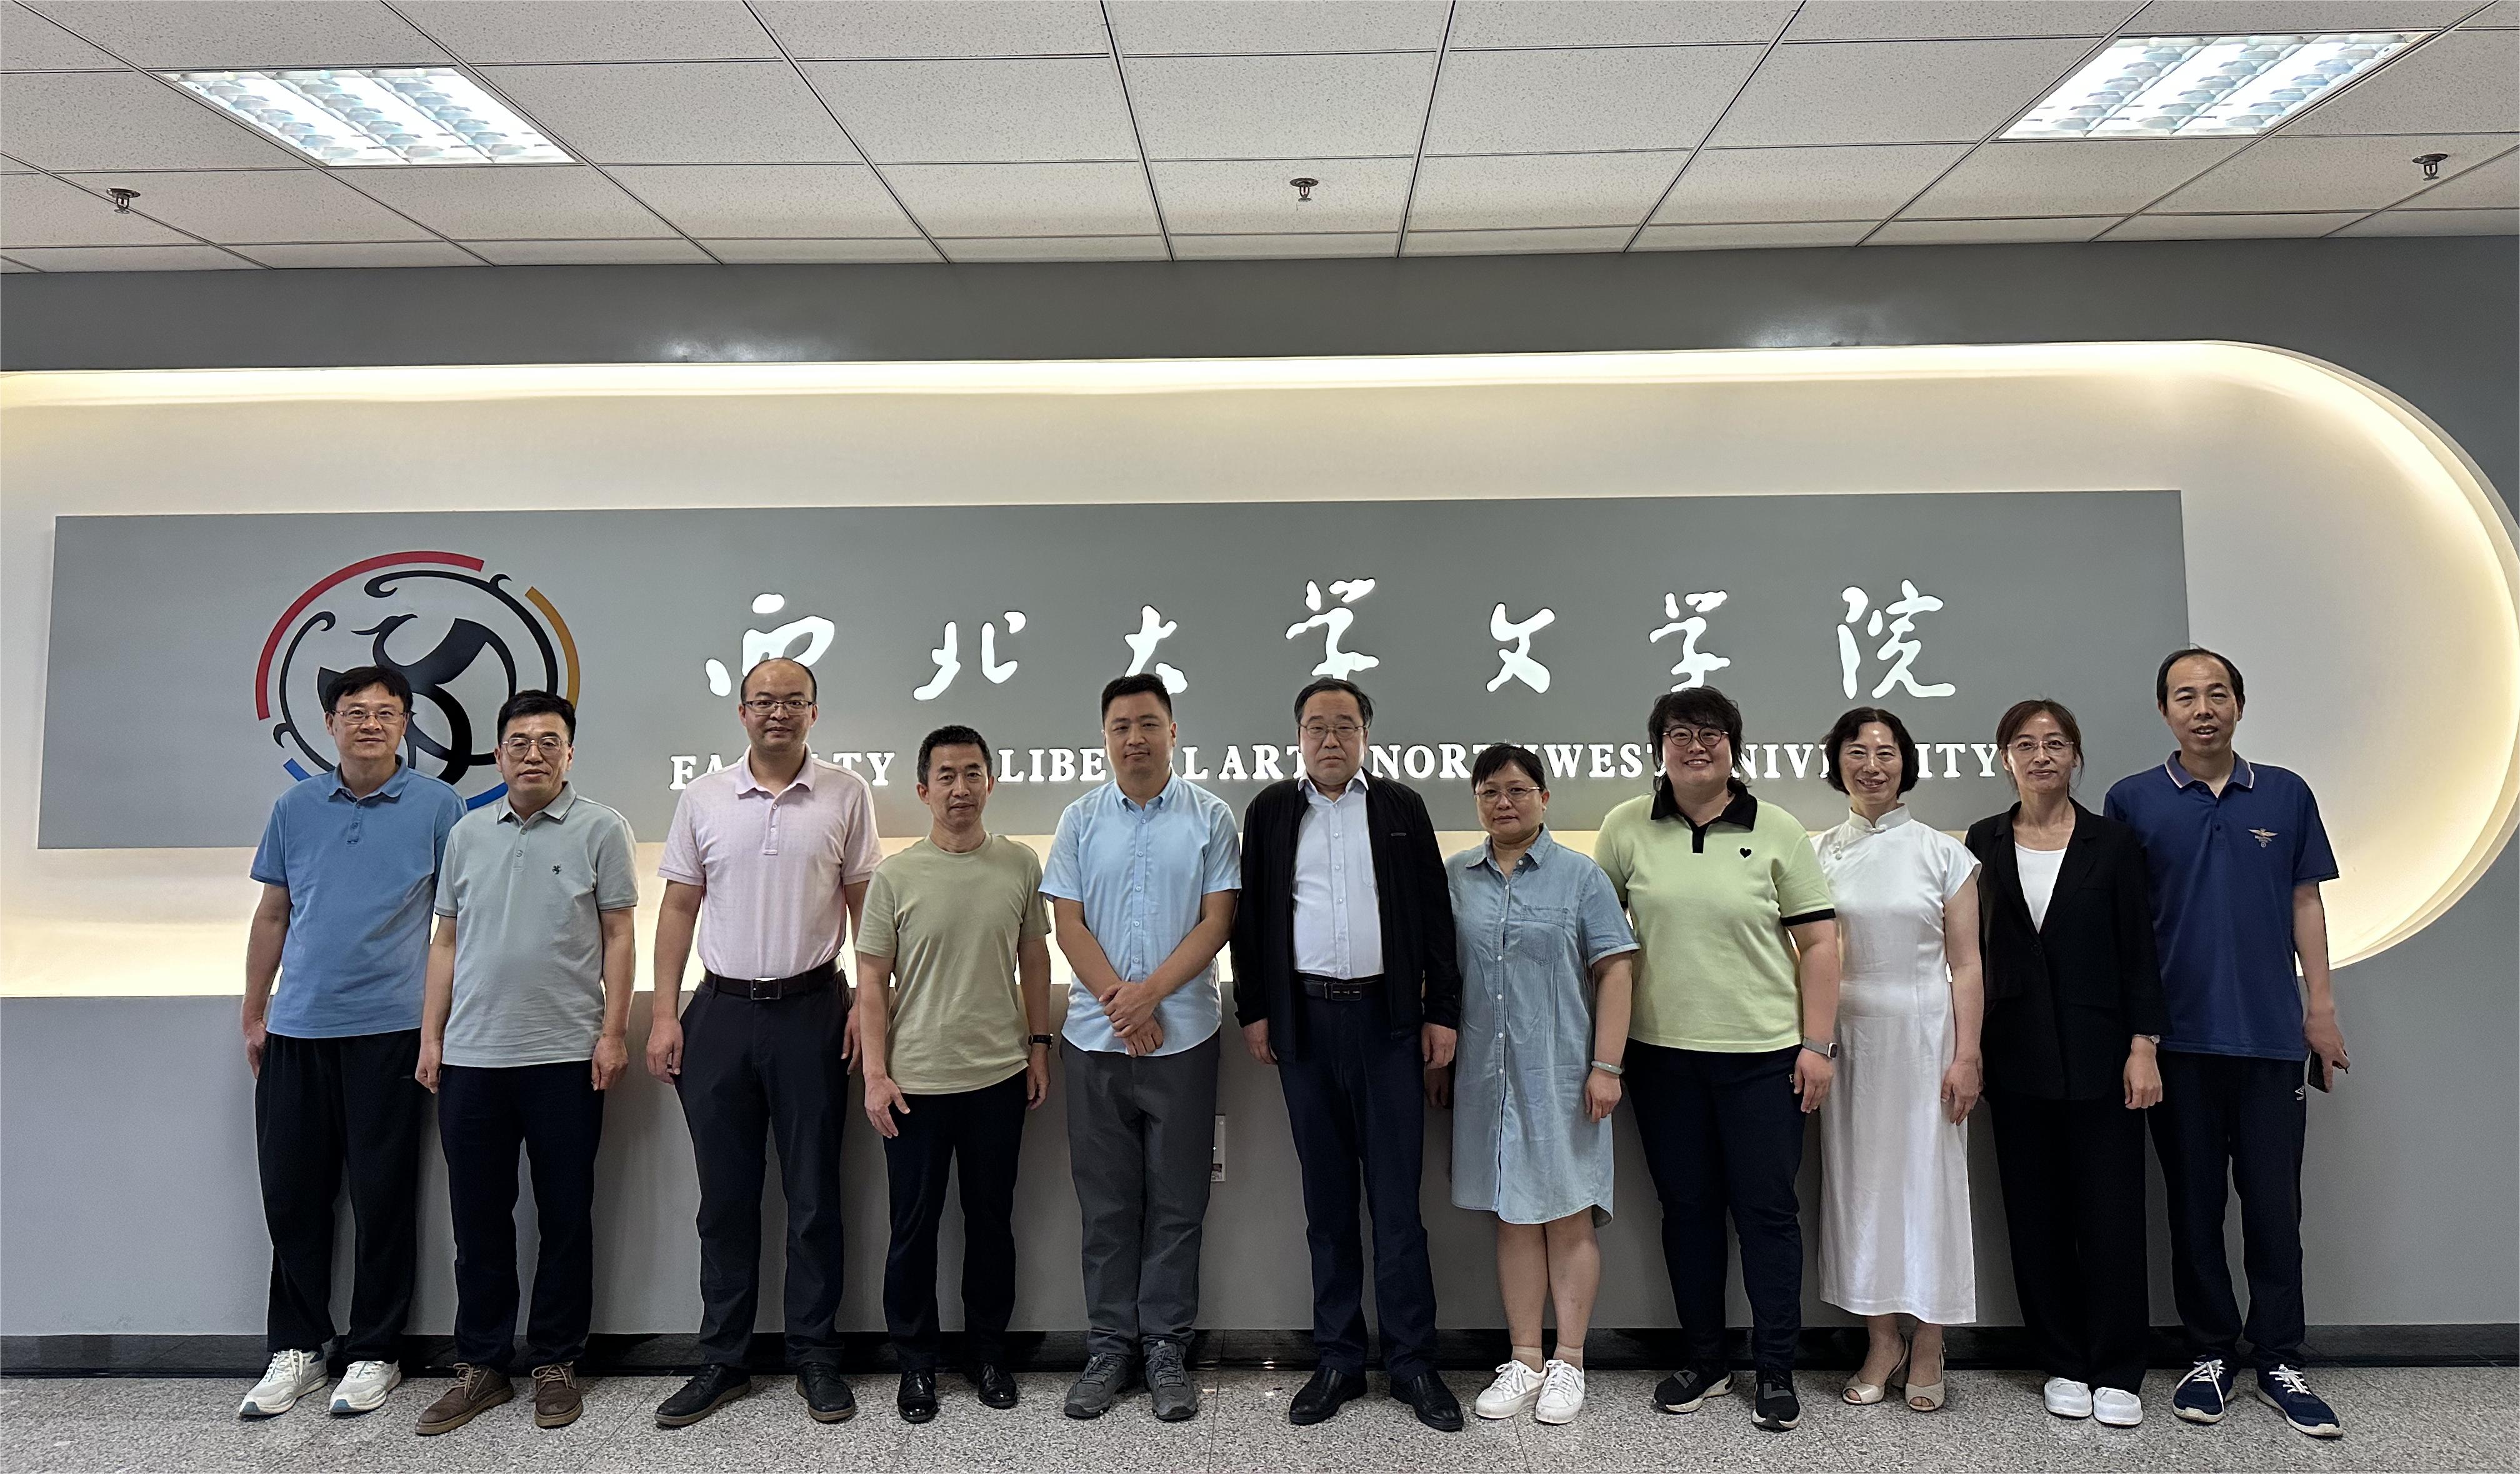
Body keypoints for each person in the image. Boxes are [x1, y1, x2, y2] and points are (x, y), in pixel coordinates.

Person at [2106, 648, 2348, 1440]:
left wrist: (2320, 1009)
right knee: (2195, 1208)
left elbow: (2305, 901)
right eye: (2186, 697)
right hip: (2177, 1042)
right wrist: (2139, 1038)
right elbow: (2125, 927)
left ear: (2239, 704)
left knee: (2276, 1209)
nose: (2202, 709)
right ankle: (2210, 1352)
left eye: (2216, 694)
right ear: (2164, 711)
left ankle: (2279, 1357)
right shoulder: (2133, 800)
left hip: (2272, 1041)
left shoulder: (2285, 792)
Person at [1594, 685, 1839, 1435]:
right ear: (1658, 748)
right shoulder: (1626, 826)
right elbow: (1597, 937)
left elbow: (1820, 943)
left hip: (1764, 1059)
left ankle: (1775, 1369)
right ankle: (1704, 1360)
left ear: (1734, 746)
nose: (1695, 745)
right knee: (1689, 1213)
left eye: (1711, 733)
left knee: (1768, 1214)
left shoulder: (1777, 828)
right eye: (1679, 733)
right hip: (1662, 1059)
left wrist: (1818, 1045)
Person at [645, 657, 881, 1430]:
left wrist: (865, 1003)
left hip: (814, 1010)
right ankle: (723, 1358)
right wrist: (666, 1014)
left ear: (814, 711)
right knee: (725, 1199)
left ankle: (816, 1355)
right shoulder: (703, 797)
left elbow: (866, 907)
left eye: (794, 701)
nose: (779, 713)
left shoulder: (846, 793)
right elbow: (679, 907)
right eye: (764, 701)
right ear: (742, 712)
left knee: (814, 1196)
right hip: (719, 1014)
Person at [1231, 677, 1464, 1432]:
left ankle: (1413, 1362)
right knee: (1326, 1203)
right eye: (1316, 726)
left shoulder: (1400, 807)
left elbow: (1434, 917)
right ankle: (1338, 1358)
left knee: (1397, 1205)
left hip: (1388, 1025)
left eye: (1344, 725)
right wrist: (1256, 1011)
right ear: (1298, 736)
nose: (1330, 739)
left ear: (1366, 734)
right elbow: (1251, 921)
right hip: (1305, 1025)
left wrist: (1441, 1013)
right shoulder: (1272, 810)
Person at [239, 666, 466, 1421]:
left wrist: (437, 1027)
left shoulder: (439, 807)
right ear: (331, 724)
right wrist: (255, 1011)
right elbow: (273, 913)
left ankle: (376, 1350)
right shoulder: (295, 807)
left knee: (382, 1196)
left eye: (385, 713)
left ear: (405, 724)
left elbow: (454, 924)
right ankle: (297, 1348)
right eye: (355, 712)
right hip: (298, 1029)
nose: (370, 724)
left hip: (391, 1031)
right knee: (293, 1197)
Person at [412, 691, 638, 1436]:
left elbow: (618, 935)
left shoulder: (601, 828)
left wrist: (613, 1032)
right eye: (519, 741)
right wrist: (432, 1037)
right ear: (499, 753)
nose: (532, 753)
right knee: (478, 1219)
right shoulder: (467, 833)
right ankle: (481, 1364)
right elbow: (445, 941)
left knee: (565, 1216)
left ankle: (555, 1361)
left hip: (566, 1055)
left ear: (569, 753)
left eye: (548, 741)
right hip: (473, 1057)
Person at [1043, 675, 1240, 1423]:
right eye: (1121, 725)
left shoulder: (1210, 817)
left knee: (1179, 1201)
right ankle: (1109, 1348)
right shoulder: (1080, 819)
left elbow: (1218, 921)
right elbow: (1068, 925)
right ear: (1105, 737)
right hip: (1095, 1040)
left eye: (1149, 723)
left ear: (1173, 731)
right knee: (1106, 1203)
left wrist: (1150, 996)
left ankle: (1165, 1348)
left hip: (1184, 1037)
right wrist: (1123, 1008)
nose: (1135, 738)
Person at [1968, 698, 2166, 1430]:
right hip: (2015, 1057)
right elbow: (1974, 952)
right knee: (2035, 1216)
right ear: (2005, 759)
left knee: (2112, 1216)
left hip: (2105, 1056)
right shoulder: (1984, 839)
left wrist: (2144, 1045)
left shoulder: (2113, 842)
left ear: (2076, 756)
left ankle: (2117, 1368)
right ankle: (2061, 1361)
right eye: (2025, 744)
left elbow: (2139, 949)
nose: (2041, 755)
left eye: (2055, 743)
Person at [854, 724, 1054, 1424]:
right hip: (914, 1085)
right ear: (923, 790)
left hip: (998, 1076)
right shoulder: (895, 876)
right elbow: (871, 983)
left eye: (972, 774)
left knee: (992, 1224)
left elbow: (1035, 959)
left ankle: (988, 1353)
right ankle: (916, 1363)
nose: (960, 788)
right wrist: (874, 1075)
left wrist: (1038, 1046)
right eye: (946, 776)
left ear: (990, 783)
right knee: (912, 1229)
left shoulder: (1020, 865)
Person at [1441, 744, 1635, 1427]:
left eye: (1518, 790)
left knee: (1567, 1213)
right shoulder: (1454, 877)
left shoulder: (1581, 877)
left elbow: (1615, 971)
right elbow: (1441, 976)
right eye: (1490, 791)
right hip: (1483, 1075)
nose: (1504, 802)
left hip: (1563, 1072)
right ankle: (1524, 1359)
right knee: (1513, 1214)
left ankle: (1569, 1362)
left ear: (1544, 799)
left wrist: (1607, 1066)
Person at [1809, 708, 1982, 1413]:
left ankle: (1931, 1338)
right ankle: (1882, 1338)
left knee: (1929, 1183)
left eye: (1885, 752)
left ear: (1906, 763)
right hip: (1848, 1040)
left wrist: (1968, 1054)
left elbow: (1966, 965)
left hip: (1927, 1036)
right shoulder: (1818, 853)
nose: (1872, 765)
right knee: (1861, 1187)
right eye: (1857, 752)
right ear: (1837, 765)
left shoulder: (1945, 854)